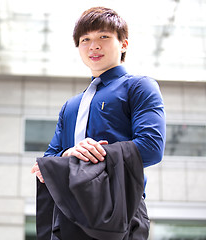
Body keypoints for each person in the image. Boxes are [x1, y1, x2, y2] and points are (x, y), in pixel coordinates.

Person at [31, 6, 166, 239]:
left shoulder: (139, 87)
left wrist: (94, 154)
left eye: (104, 36)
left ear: (123, 44)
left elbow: (152, 148)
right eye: (85, 39)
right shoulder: (70, 106)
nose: (93, 46)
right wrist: (70, 154)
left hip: (119, 208)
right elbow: (47, 162)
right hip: (68, 211)